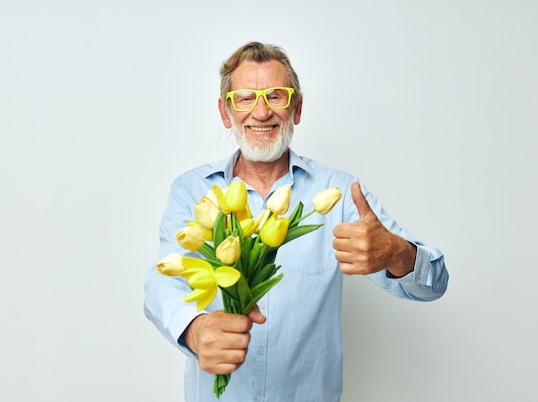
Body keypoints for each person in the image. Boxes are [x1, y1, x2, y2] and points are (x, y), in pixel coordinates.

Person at [144, 41, 449, 402]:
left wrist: (399, 255)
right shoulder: (191, 190)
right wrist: (194, 330)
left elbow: (434, 284)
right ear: (226, 112)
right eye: (244, 98)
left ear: (297, 108)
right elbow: (163, 284)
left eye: (277, 96)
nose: (261, 112)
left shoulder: (340, 192)